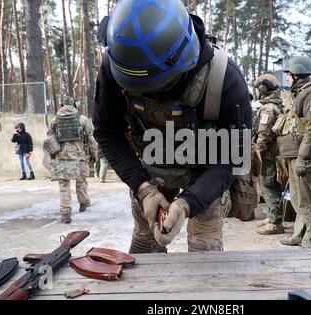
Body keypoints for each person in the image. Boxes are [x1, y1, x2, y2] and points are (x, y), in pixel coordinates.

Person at [93, 0, 251, 253]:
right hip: (150, 170)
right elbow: (107, 132)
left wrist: (189, 203)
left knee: (204, 252)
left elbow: (233, 157)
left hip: (207, 172)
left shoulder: (225, 78)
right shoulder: (116, 65)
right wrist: (143, 189)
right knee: (145, 245)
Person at [273, 55, 311, 248]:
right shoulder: (300, 93)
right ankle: (300, 234)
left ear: (297, 74)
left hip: (304, 157)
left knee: (308, 199)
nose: (286, 78)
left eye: (288, 74)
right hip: (294, 155)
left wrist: (303, 157)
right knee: (297, 199)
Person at [47, 96, 98, 223]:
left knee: (64, 186)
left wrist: (52, 155)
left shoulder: (55, 120)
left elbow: (50, 139)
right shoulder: (82, 119)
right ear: (74, 105)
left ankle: (65, 213)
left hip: (61, 157)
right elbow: (92, 140)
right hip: (79, 156)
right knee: (81, 182)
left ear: (62, 105)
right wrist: (94, 154)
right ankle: (84, 203)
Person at [252, 74, 285, 235]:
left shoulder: (268, 109)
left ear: (263, 88)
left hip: (269, 155)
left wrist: (256, 153)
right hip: (274, 154)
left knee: (270, 186)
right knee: (270, 186)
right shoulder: (274, 106)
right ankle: (273, 216)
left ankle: (275, 222)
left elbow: (264, 135)